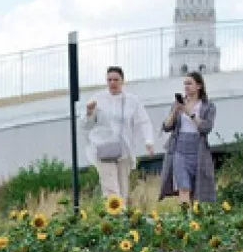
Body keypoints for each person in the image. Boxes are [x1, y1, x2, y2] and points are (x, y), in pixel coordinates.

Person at [81, 66, 155, 203]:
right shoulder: (98, 99)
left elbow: (144, 121)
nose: (112, 83)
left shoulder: (132, 100)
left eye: (116, 79)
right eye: (109, 80)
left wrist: (148, 141)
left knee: (122, 188)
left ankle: (122, 219)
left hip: (124, 150)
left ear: (122, 81)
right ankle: (114, 216)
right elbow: (85, 125)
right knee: (111, 188)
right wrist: (89, 113)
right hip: (104, 149)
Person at [159, 71, 217, 207]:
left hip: (198, 150)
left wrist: (189, 113)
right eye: (185, 83)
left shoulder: (208, 106)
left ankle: (195, 220)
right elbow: (166, 126)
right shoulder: (178, 104)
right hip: (179, 150)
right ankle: (184, 219)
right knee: (183, 187)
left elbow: (206, 128)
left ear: (199, 86)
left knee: (198, 191)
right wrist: (175, 111)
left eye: (190, 83)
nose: (186, 86)